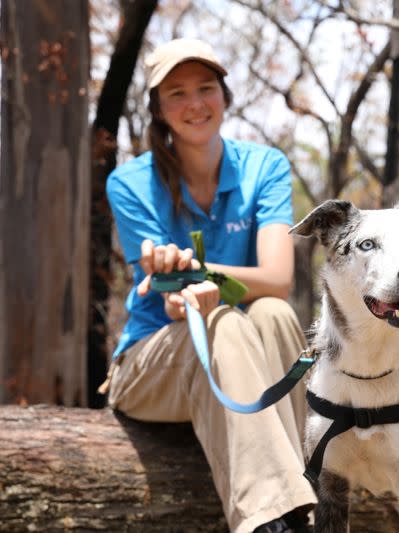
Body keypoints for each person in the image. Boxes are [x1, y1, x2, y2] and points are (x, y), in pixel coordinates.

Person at [103, 38, 316, 533]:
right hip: (152, 368)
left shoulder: (264, 166)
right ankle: (271, 521)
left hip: (241, 356)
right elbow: (173, 301)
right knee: (222, 321)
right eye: (176, 93)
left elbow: (278, 281)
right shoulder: (131, 183)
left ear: (224, 95)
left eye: (206, 88)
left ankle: (313, 493)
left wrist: (202, 276)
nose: (195, 103)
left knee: (274, 314)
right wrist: (189, 291)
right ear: (157, 109)